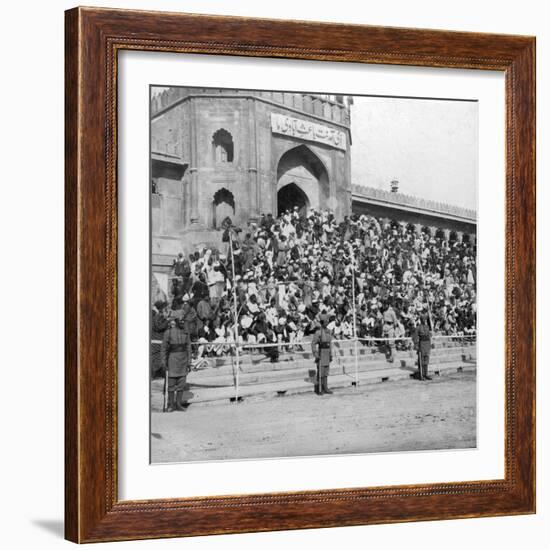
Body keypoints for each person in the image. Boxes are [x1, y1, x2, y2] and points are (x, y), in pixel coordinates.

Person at [160, 316, 192, 412]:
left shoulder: (186, 333)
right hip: (172, 360)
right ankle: (171, 405)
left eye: (184, 321)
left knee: (182, 382)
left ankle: (178, 404)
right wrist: (163, 362)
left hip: (183, 360)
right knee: (171, 383)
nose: (182, 323)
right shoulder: (168, 333)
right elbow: (164, 349)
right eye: (181, 321)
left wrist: (189, 362)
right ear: (177, 322)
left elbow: (188, 348)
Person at [311, 314, 333, 395]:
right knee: (321, 371)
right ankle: (319, 389)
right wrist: (315, 354)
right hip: (321, 352)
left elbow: (330, 343)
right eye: (325, 322)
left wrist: (331, 354)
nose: (327, 323)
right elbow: (313, 343)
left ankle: (326, 387)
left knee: (326, 371)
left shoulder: (329, 331)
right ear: (322, 322)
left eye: (327, 322)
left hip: (327, 353)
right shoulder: (318, 332)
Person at [412, 312, 432, 380]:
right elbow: (415, 337)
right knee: (421, 360)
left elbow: (429, 336)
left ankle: (426, 374)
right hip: (422, 344)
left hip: (427, 344)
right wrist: (416, 345)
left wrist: (430, 344)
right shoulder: (418, 328)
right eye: (423, 319)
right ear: (421, 320)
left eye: (425, 319)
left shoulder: (427, 327)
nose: (424, 320)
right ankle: (421, 375)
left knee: (426, 359)